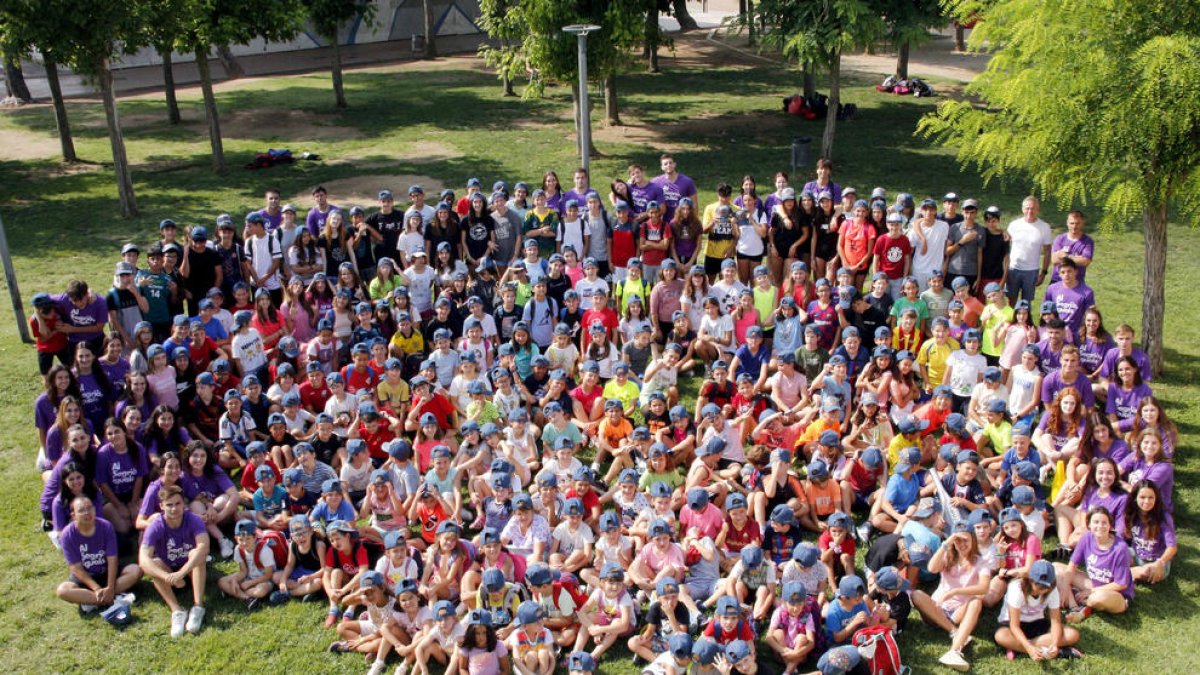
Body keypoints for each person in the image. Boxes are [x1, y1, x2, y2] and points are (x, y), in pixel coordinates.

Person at [911, 522, 990, 671]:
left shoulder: (981, 562)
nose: (961, 544)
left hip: (958, 611)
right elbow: (931, 568)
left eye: (965, 540)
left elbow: (984, 587)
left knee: (976, 602)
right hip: (936, 610)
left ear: (973, 539)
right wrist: (946, 544)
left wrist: (955, 592)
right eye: (957, 540)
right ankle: (955, 632)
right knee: (916, 594)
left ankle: (954, 651)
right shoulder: (948, 555)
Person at [139, 484, 211, 637]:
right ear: (161, 506)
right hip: (168, 571)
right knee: (154, 564)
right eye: (169, 505)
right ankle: (177, 611)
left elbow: (204, 547)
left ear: (183, 504)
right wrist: (167, 577)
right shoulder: (155, 525)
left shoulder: (193, 519)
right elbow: (143, 559)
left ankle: (198, 607)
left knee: (196, 553)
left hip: (189, 568)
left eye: (178, 503)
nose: (174, 509)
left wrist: (182, 572)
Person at [56, 495, 142, 611]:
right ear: (73, 515)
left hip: (107, 573)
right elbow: (76, 568)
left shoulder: (106, 526)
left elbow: (113, 560)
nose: (87, 513)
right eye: (81, 510)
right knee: (63, 590)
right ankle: (111, 599)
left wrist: (110, 587)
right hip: (85, 577)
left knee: (136, 570)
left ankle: (92, 601)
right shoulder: (67, 535)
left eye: (90, 508)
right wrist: (96, 588)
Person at [993, 559, 1082, 661]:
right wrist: (1029, 647)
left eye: (1046, 587)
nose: (1043, 590)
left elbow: (1055, 622)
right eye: (1039, 586)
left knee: (1072, 634)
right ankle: (1044, 651)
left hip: (1037, 622)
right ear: (1030, 580)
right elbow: (1014, 625)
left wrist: (1055, 643)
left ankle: (1017, 647)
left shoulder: (1052, 590)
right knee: (1000, 636)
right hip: (1011, 625)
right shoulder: (1016, 588)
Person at [1005, 196, 1053, 305]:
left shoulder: (1044, 227)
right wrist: (1004, 268)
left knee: (1026, 304)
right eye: (1027, 208)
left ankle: (1026, 322)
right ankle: (1011, 322)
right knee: (1011, 301)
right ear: (1022, 209)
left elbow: (1048, 251)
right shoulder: (1014, 225)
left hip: (1031, 271)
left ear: (1038, 210)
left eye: (1033, 208)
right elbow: (1005, 247)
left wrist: (1043, 273)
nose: (1030, 211)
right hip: (1013, 269)